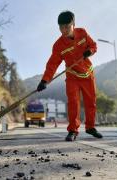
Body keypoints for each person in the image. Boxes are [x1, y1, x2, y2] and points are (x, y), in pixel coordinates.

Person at [37, 10, 103, 141]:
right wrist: (45, 80)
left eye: (67, 26)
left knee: (91, 102)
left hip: (88, 74)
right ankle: (73, 130)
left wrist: (90, 51)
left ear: (73, 24)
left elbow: (93, 45)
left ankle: (90, 127)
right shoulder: (58, 45)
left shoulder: (82, 33)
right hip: (72, 76)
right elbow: (52, 64)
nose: (64, 30)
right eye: (61, 27)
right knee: (73, 103)